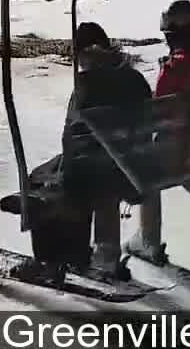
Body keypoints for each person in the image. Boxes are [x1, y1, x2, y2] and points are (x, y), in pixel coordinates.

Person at [128, 0, 190, 266]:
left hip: (174, 154)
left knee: (138, 168)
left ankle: (148, 239)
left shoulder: (176, 67)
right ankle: (146, 239)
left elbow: (157, 111)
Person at [62, 22, 155, 282]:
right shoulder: (134, 77)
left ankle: (99, 257)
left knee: (73, 176)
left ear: (82, 54)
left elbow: (71, 135)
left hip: (108, 172)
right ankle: (106, 254)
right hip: (139, 166)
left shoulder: (86, 84)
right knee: (106, 165)